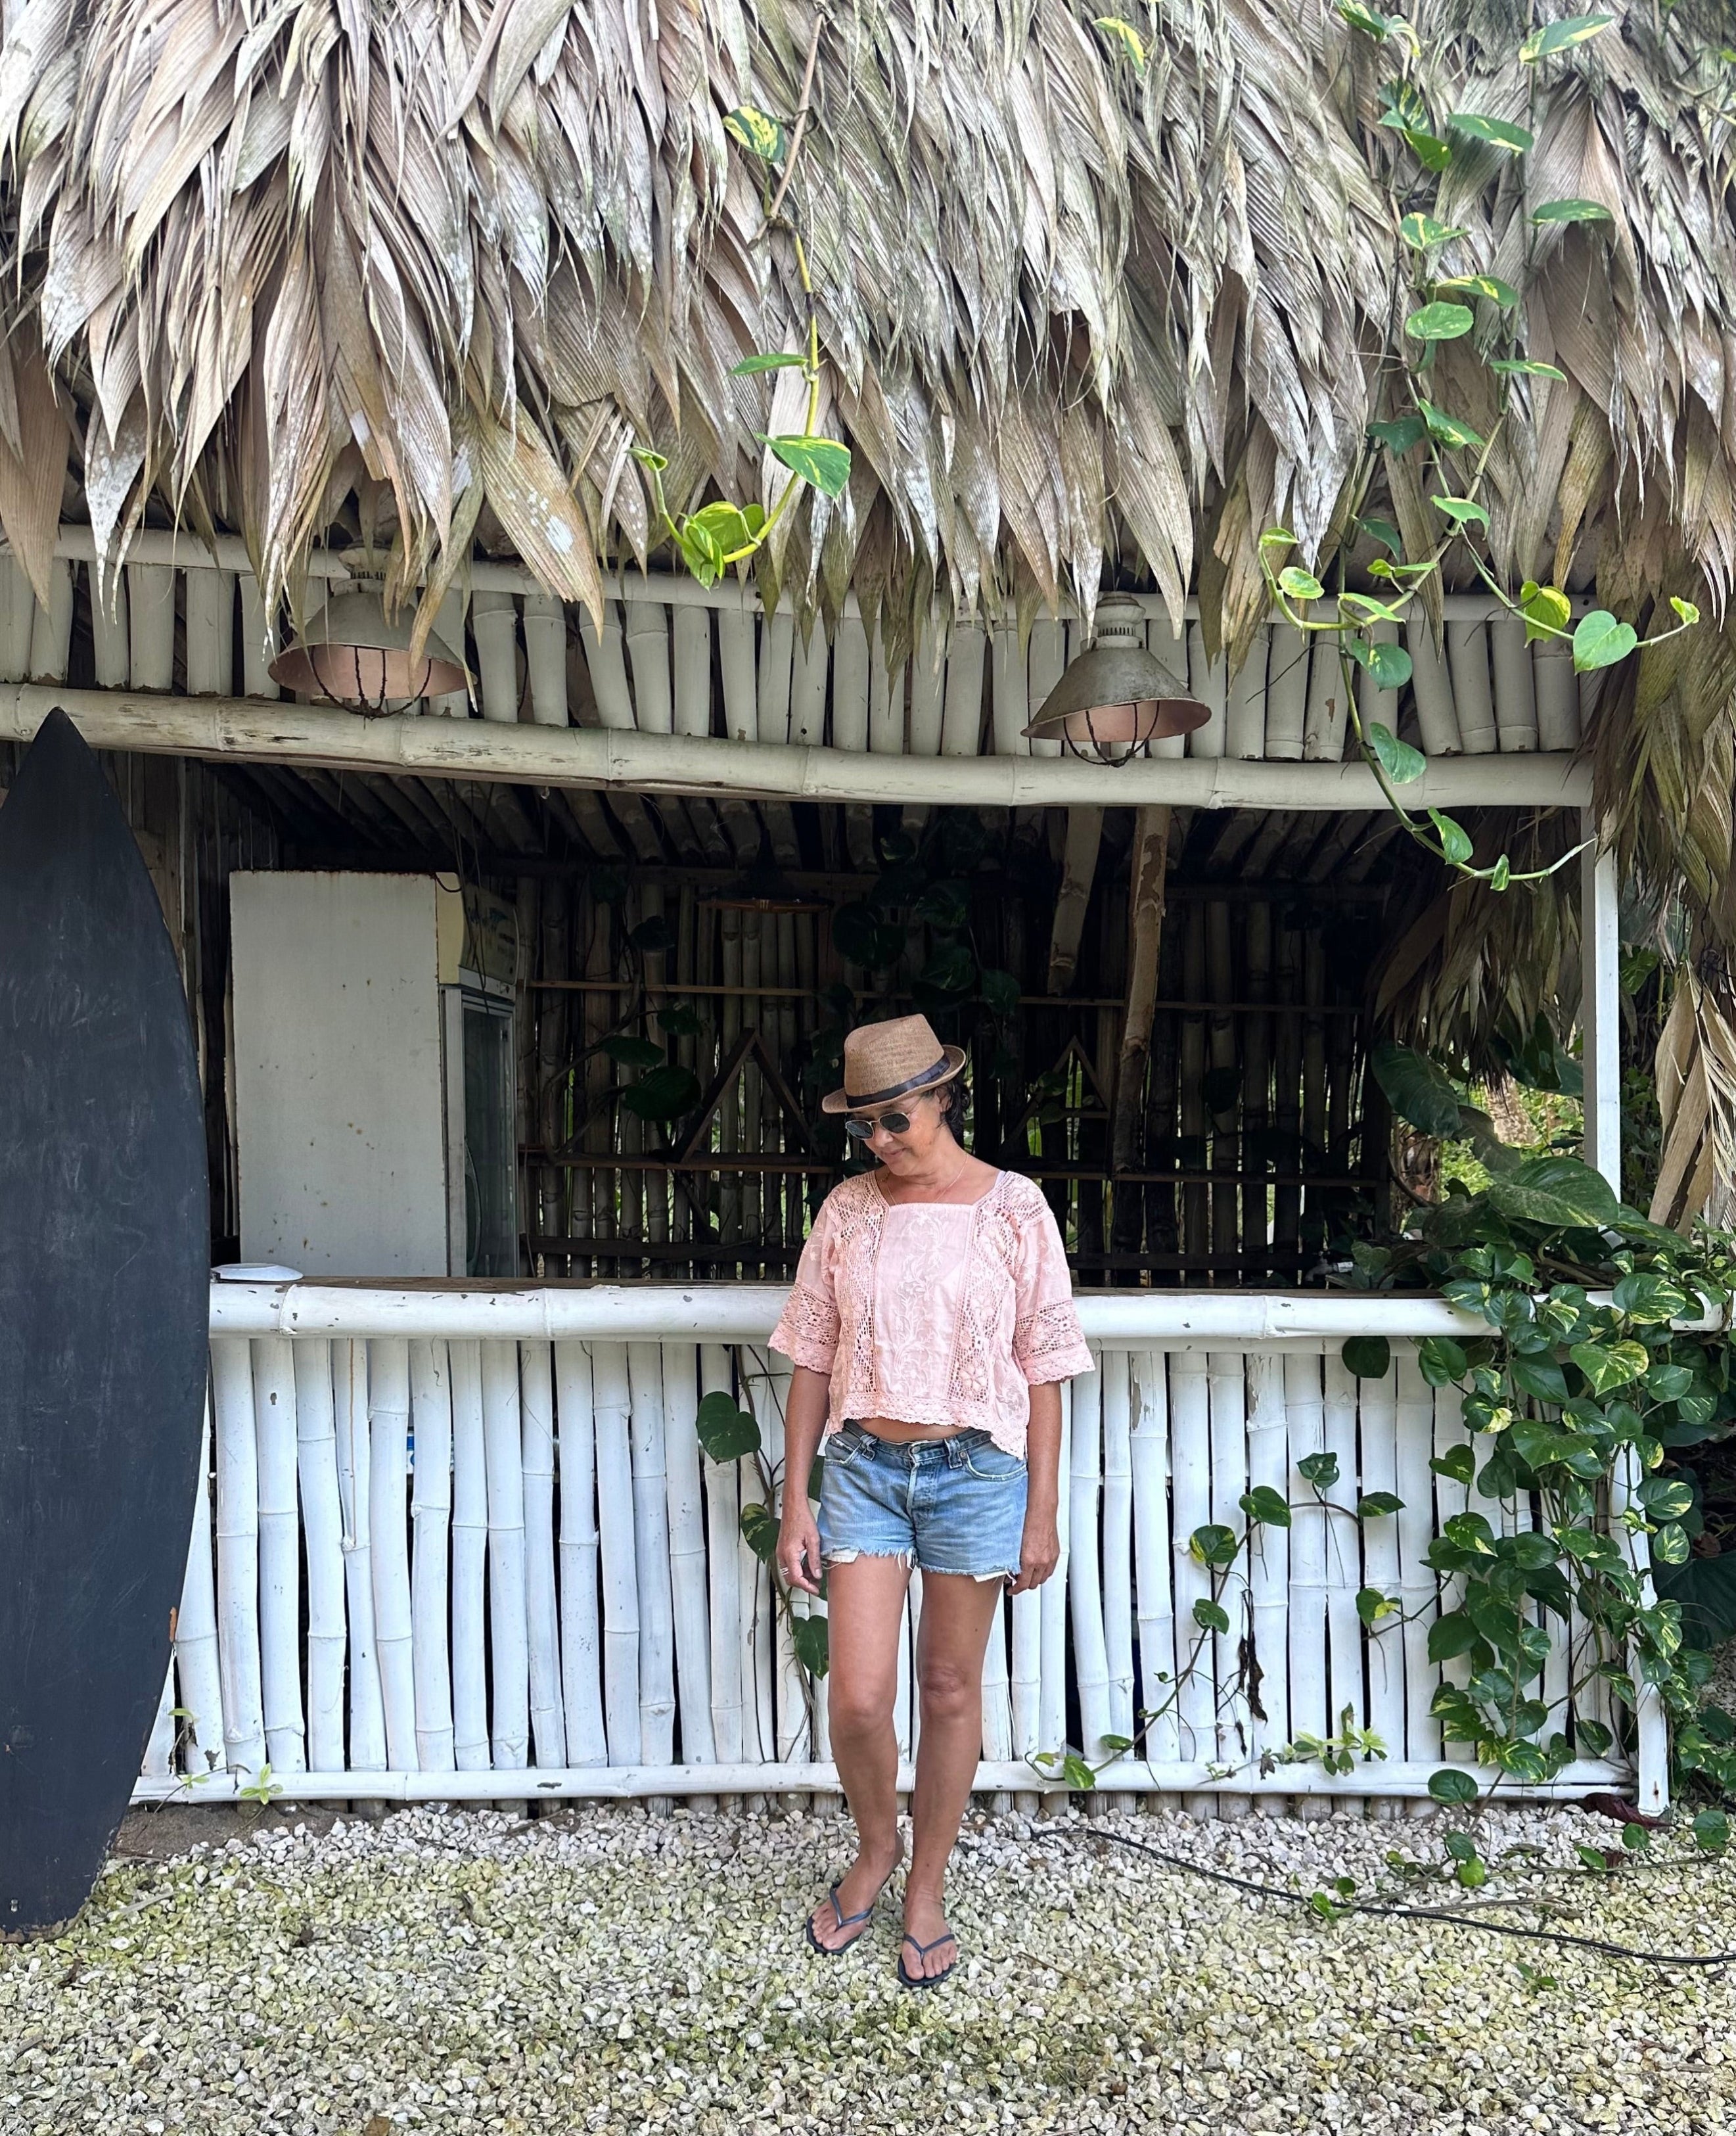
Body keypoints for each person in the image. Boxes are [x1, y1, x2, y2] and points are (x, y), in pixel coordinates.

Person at [771, 1013, 1091, 1988]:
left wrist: (1041, 1511)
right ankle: (877, 1848)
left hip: (977, 1473)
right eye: (861, 1125)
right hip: (864, 1469)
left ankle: (926, 1885)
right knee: (859, 1696)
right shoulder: (847, 1211)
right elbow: (812, 1356)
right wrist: (795, 1500)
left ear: (944, 1097)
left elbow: (1044, 1367)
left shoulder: (1015, 1208)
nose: (878, 1139)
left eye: (894, 1118)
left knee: (950, 1688)